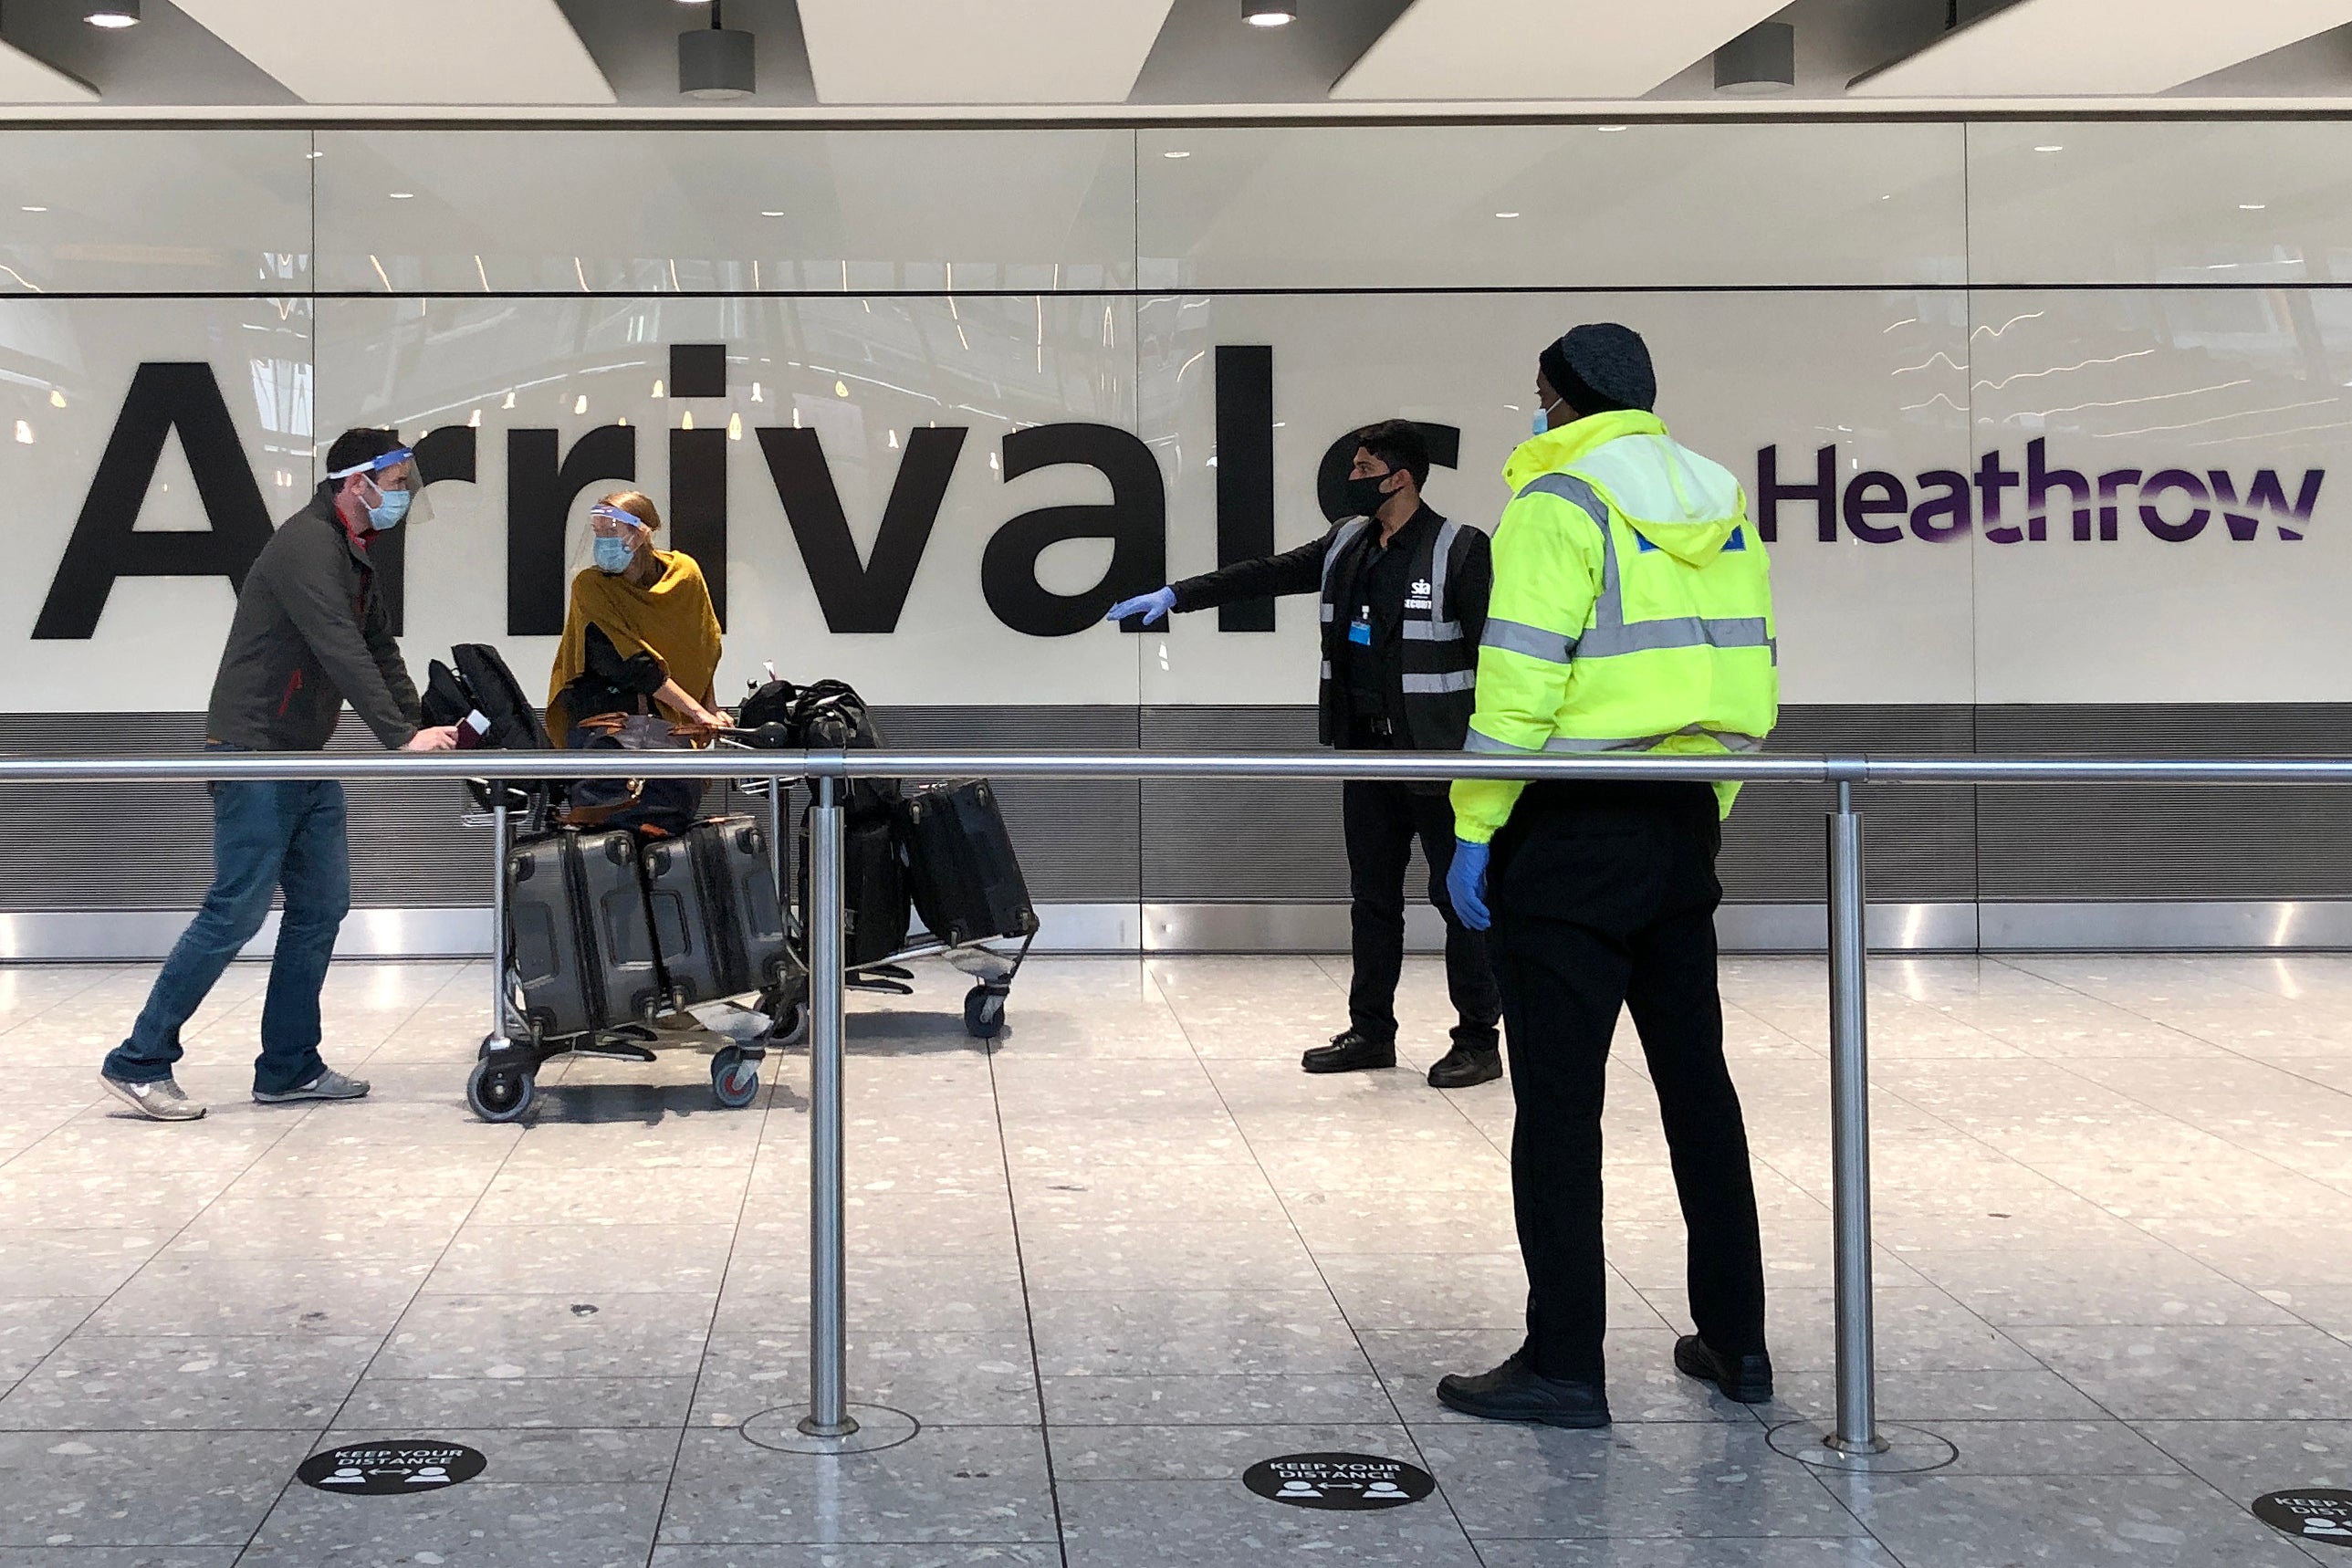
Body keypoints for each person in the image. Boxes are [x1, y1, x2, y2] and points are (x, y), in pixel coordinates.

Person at [1435, 324, 1780, 1427]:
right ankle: (1736, 1341)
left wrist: (1477, 827)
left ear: (1562, 398)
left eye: (1537, 395)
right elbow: (1748, 671)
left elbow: (1520, 682)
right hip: (1682, 825)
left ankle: (1565, 1363)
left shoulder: (1559, 503)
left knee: (1559, 1106)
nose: (1531, 414)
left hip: (1570, 828)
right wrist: (1703, 807)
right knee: (1699, 1094)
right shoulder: (1723, 501)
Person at [1106, 421, 1505, 1089]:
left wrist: (1491, 761)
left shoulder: (1458, 549)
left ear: (1399, 476)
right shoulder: (1347, 541)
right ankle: (1371, 1032)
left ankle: (1477, 1040)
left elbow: (1494, 660)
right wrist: (1178, 595)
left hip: (1439, 759)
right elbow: (1266, 573)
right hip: (1365, 752)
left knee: (1456, 900)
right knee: (1371, 898)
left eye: (1361, 467)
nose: (1348, 479)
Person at [99, 429, 461, 1122]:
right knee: (234, 909)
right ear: (356, 483)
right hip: (255, 751)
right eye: (397, 484)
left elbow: (378, 646)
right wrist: (397, 737)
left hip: (299, 753)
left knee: (323, 904)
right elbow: (337, 642)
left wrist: (418, 721)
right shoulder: (305, 546)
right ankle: (138, 1060)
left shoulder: (354, 555)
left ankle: (289, 1066)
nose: (404, 498)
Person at [544, 492, 727, 832]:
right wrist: (697, 713)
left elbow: (701, 646)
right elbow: (632, 665)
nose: (602, 541)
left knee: (670, 845)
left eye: (611, 531)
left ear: (641, 533)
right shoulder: (591, 586)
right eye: (597, 532)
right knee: (608, 847)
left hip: (669, 731)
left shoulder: (685, 575)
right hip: (608, 732)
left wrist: (709, 709)